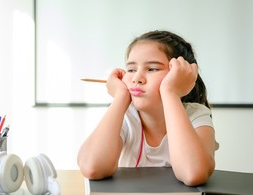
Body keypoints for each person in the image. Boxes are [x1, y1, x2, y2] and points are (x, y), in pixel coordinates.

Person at [77, 30, 216, 186]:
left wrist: (170, 92)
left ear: (180, 75)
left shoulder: (197, 115)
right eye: (131, 70)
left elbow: (193, 174)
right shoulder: (125, 116)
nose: (136, 78)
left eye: (152, 69)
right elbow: (91, 167)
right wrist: (120, 97)